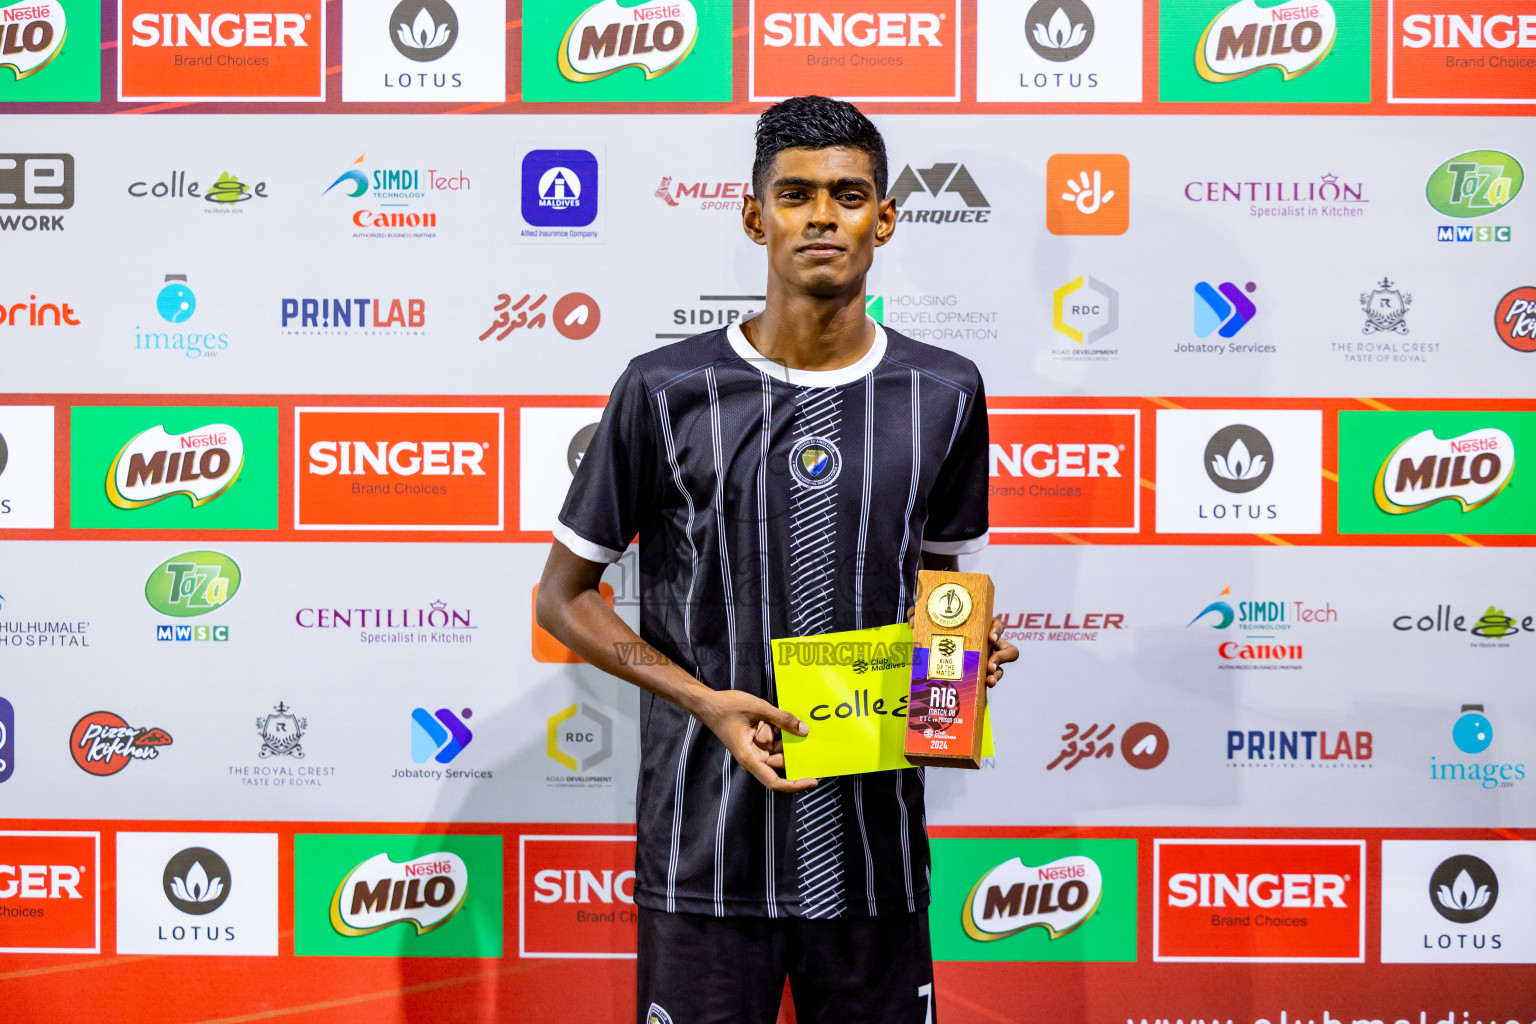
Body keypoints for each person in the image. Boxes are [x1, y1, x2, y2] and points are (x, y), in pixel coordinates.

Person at [535, 95, 1018, 1024]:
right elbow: (563, 599)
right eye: (796, 194)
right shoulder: (665, 387)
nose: (823, 215)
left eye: (849, 194)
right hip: (703, 849)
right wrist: (702, 701)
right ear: (755, 215)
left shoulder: (945, 392)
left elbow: (940, 597)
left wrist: (956, 669)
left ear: (885, 218)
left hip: (872, 852)